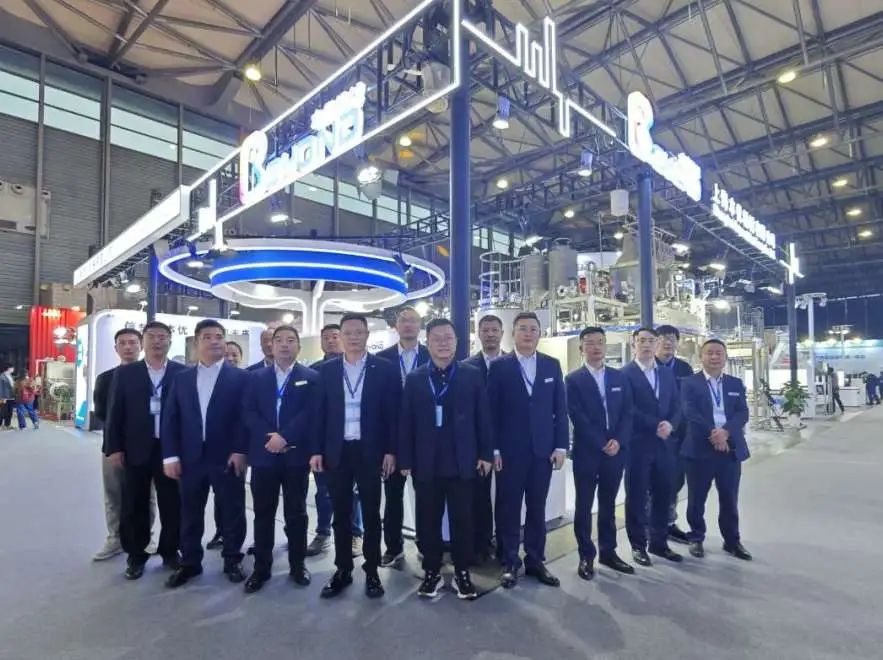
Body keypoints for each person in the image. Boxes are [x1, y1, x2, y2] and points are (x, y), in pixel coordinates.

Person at [399, 318, 493, 600]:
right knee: (427, 521)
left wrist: (486, 454)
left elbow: (483, 417)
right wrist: (406, 459)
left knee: (463, 520)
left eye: (448, 338)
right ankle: (431, 571)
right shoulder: (415, 378)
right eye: (437, 338)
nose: (443, 343)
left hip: (463, 462)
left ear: (457, 342)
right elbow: (406, 421)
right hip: (425, 463)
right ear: (427, 342)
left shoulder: (472, 375)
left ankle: (463, 572)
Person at [311, 313, 401, 599]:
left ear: (366, 335)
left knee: (372, 514)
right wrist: (316, 450)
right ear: (340, 336)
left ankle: (372, 571)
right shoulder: (326, 370)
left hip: (370, 451)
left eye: (358, 332)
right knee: (341, 514)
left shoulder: (384, 369)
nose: (353, 337)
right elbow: (318, 415)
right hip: (336, 451)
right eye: (347, 332)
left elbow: (393, 415)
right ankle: (342, 569)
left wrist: (391, 450)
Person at [162, 319, 249, 588]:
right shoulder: (182, 378)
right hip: (190, 458)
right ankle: (190, 562)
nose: (214, 341)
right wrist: (170, 456)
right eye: (208, 337)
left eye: (219, 336)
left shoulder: (241, 378)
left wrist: (240, 450)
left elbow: (245, 418)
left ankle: (232, 559)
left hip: (227, 457)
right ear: (196, 342)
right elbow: (171, 419)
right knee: (190, 512)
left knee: (232, 510)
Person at [488, 312, 567, 589]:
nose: (528, 333)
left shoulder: (551, 365)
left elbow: (560, 409)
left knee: (537, 507)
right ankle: (509, 561)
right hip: (509, 453)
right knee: (508, 508)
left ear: (539, 334)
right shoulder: (500, 367)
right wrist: (494, 449)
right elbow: (491, 412)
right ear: (513, 333)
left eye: (534, 329)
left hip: (542, 452)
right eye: (523, 329)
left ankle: (535, 560)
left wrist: (561, 446)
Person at [105, 321, 186, 580]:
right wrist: (114, 448)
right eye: (152, 336)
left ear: (170, 341)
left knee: (173, 503)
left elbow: (189, 414)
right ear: (144, 341)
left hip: (170, 450)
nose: (157, 341)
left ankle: (170, 551)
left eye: (163, 337)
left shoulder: (183, 373)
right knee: (134, 503)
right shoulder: (127, 373)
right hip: (136, 448)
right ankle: (136, 555)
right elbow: (115, 412)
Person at [242, 325, 319, 593]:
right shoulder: (255, 377)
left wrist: (285, 437)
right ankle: (261, 568)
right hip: (264, 455)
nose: (285, 345)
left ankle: (298, 565)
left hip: (295, 456)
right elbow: (248, 411)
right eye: (279, 340)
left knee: (296, 514)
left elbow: (311, 413)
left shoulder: (311, 377)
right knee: (263, 513)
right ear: (271, 345)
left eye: (291, 340)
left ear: (298, 346)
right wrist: (270, 437)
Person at [566, 326, 634, 580]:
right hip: (587, 452)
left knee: (608, 504)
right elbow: (577, 416)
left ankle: (609, 551)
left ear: (606, 346)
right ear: (581, 348)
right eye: (590, 343)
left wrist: (618, 440)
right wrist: (601, 442)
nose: (596, 347)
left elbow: (628, 412)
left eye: (600, 342)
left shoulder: (619, 377)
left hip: (615, 453)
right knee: (584, 505)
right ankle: (586, 555)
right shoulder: (573, 380)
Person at [681, 339, 752, 561]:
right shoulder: (689, 383)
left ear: (725, 357)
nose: (714, 357)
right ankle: (696, 537)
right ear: (701, 357)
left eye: (718, 353)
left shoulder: (735, 383)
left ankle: (732, 541)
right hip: (700, 448)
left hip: (730, 449)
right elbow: (689, 412)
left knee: (730, 498)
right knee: (696, 499)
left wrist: (726, 432)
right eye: (709, 353)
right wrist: (714, 433)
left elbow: (742, 413)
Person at [92, 328, 156, 561]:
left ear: (141, 346)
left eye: (133, 342)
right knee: (114, 493)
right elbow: (102, 413)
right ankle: (115, 538)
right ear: (116, 348)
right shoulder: (106, 378)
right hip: (114, 446)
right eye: (123, 343)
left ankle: (146, 537)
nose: (128, 347)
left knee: (146, 494)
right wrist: (116, 442)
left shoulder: (152, 376)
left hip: (145, 447)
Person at [621, 327, 683, 567]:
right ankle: (638, 546)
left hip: (665, 445)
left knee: (664, 494)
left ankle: (659, 543)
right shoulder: (625, 374)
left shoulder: (666, 373)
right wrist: (655, 424)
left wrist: (671, 424)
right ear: (633, 344)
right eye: (642, 341)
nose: (646, 345)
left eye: (651, 340)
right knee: (636, 497)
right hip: (638, 445)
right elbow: (627, 409)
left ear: (656, 344)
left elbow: (677, 404)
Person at [376, 306, 430, 567]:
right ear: (396, 325)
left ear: (420, 326)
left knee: (426, 498)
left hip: (424, 441)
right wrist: (387, 447)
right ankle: (393, 547)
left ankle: (426, 545)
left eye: (413, 321)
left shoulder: (432, 355)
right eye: (403, 320)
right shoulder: (381, 359)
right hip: (392, 441)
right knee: (393, 497)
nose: (408, 325)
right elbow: (378, 407)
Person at [307, 323, 365, 559]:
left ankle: (355, 534)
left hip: (356, 443)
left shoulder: (363, 367)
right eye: (326, 337)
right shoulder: (314, 371)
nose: (331, 341)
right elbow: (314, 413)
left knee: (355, 492)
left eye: (334, 336)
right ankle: (322, 533)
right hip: (327, 446)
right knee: (323, 492)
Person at [463, 313, 505, 563]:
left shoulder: (514, 363)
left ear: (502, 333)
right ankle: (481, 544)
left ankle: (505, 545)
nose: (490, 334)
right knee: (479, 498)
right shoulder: (466, 367)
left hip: (509, 442)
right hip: (478, 444)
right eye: (485, 330)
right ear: (478, 334)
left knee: (507, 498)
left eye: (494, 330)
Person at [654, 324, 694, 544]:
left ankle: (668, 523)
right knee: (651, 483)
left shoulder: (684, 368)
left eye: (672, 338)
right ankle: (651, 526)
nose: (667, 342)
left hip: (679, 435)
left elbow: (687, 401)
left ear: (677, 343)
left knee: (675, 481)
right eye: (663, 338)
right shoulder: (647, 365)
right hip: (653, 435)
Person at [206, 340, 246, 552]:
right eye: (227, 354)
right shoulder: (209, 378)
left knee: (233, 498)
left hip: (235, 450)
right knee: (218, 497)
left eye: (234, 354)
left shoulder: (245, 378)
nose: (231, 358)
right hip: (207, 450)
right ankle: (220, 531)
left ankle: (233, 548)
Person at [0, 364, 15, 430]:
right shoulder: (1, 376)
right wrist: (2, 398)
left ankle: (7, 425)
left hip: (11, 397)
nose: (13, 369)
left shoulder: (10, 376)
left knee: (10, 412)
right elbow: (0, 388)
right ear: (9, 368)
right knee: (3, 411)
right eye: (12, 368)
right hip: (4, 397)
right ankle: (0, 425)